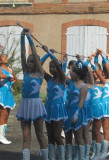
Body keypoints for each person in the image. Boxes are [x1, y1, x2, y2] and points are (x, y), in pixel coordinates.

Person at [16, 28, 48, 160]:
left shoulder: (40, 73)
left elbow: (34, 54)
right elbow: (23, 54)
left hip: (35, 105)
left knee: (40, 133)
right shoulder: (25, 72)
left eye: (32, 61)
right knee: (25, 135)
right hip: (25, 104)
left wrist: (30, 37)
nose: (29, 64)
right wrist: (22, 37)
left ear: (37, 63)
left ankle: (46, 157)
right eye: (28, 62)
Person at [41, 45, 68, 160]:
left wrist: (50, 53)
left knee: (57, 135)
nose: (52, 69)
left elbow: (58, 65)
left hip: (58, 109)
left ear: (59, 68)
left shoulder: (62, 78)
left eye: (54, 67)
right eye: (50, 67)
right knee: (51, 136)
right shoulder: (49, 78)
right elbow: (39, 67)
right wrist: (47, 54)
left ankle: (61, 157)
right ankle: (51, 157)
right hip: (48, 108)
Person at [64, 58, 89, 160]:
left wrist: (76, 114)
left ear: (77, 74)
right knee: (68, 136)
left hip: (76, 112)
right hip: (67, 111)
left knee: (78, 137)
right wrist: (65, 60)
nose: (70, 72)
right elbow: (62, 73)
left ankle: (82, 157)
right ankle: (69, 157)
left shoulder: (83, 86)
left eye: (72, 71)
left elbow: (82, 101)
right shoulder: (70, 82)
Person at [98, 51, 109, 159]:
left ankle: (105, 151)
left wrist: (104, 57)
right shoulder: (96, 82)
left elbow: (108, 69)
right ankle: (98, 150)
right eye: (102, 73)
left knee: (106, 129)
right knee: (96, 130)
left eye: (105, 73)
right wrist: (96, 57)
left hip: (107, 106)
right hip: (98, 107)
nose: (103, 74)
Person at [0, 54, 17, 145]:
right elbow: (1, 76)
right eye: (3, 57)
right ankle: (1, 136)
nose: (5, 57)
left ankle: (3, 134)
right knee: (3, 113)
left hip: (8, 94)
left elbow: (15, 79)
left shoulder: (10, 70)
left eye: (6, 56)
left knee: (7, 114)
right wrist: (7, 76)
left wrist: (11, 83)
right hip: (1, 93)